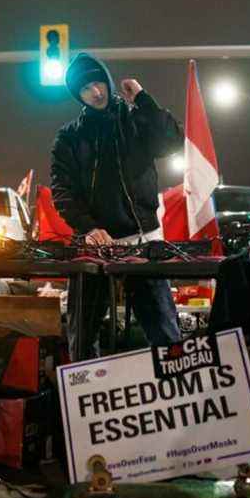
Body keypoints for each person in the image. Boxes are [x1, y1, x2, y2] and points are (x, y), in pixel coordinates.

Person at [51, 53, 183, 360]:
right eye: (85, 89)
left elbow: (173, 140)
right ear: (77, 95)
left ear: (107, 81)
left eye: (98, 83)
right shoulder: (69, 137)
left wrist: (142, 98)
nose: (95, 92)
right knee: (82, 335)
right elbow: (63, 191)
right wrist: (88, 227)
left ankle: (174, 390)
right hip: (94, 244)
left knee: (165, 331)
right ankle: (88, 398)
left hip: (142, 241)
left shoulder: (136, 118)